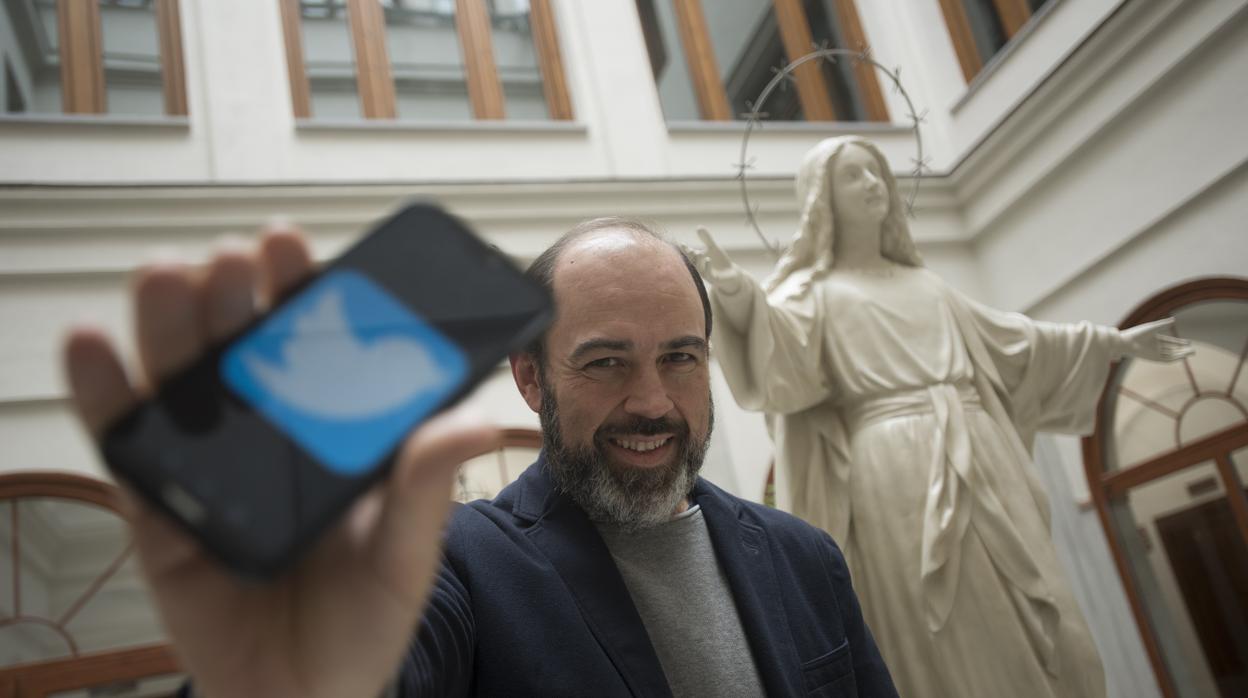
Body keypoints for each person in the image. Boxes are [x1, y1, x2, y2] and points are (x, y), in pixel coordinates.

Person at [63, 217, 898, 697]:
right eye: (606, 361)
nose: (652, 400)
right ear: (531, 379)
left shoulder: (804, 557)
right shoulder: (457, 562)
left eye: (680, 356)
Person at [688, 136, 1193, 698]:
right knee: (945, 620)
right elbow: (780, 357)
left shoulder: (927, 285)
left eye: (878, 172)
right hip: (895, 465)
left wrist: (1116, 342)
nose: (874, 184)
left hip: (982, 452)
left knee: (1043, 609)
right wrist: (735, 293)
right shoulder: (817, 293)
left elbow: (1016, 342)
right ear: (823, 198)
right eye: (855, 175)